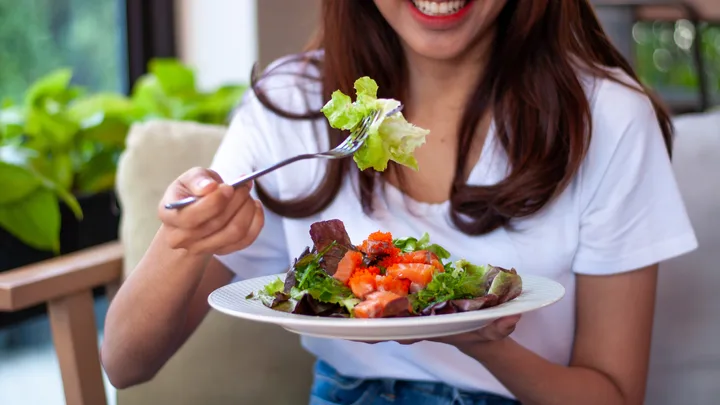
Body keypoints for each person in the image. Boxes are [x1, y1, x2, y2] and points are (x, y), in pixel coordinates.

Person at [101, 1, 698, 404]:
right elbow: (125, 363)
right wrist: (183, 238)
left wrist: (480, 338)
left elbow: (612, 394)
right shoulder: (291, 105)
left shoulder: (607, 117)